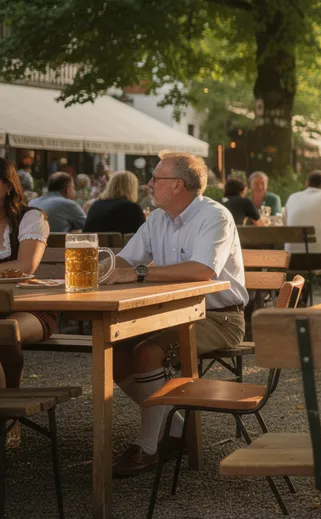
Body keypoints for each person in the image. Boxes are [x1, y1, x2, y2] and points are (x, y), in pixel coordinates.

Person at [104, 152, 248, 475]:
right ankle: (177, 427)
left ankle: (148, 447)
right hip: (171, 314)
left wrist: (140, 273)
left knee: (147, 353)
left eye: (156, 178)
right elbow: (125, 260)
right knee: (115, 353)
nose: (149, 183)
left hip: (219, 318)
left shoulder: (215, 216)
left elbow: (202, 270)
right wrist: (96, 270)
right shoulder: (157, 219)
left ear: (178, 185)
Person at [0, 156, 56, 449]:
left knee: (5, 331)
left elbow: (25, 266)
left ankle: (10, 419)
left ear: (8, 186)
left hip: (31, 308)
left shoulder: (30, 218)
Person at [84, 171, 147, 235]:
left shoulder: (95, 205)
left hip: (94, 242)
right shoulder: (132, 208)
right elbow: (145, 235)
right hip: (124, 242)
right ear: (131, 188)